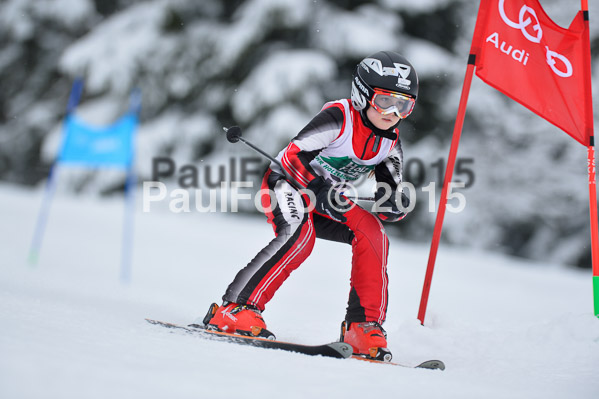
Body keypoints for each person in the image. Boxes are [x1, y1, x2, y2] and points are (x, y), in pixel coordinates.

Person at [202, 51, 418, 361]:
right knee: (299, 236)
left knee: (373, 232)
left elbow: (389, 195)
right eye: (385, 100)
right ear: (363, 94)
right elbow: (292, 156)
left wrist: (395, 204)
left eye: (403, 105)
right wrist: (318, 189)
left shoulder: (390, 142)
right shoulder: (339, 117)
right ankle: (235, 308)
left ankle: (362, 327)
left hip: (328, 201)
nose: (392, 112)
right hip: (286, 185)